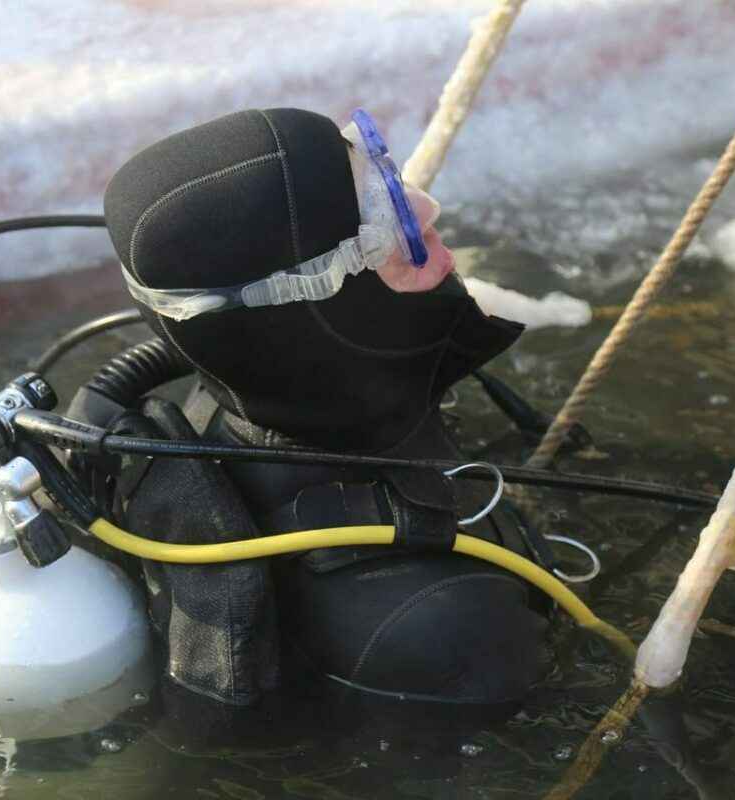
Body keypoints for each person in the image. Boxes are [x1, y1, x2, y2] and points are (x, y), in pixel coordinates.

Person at [71, 107, 551, 728]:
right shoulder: (452, 625)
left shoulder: (218, 406)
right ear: (310, 304)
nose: (424, 210)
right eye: (384, 218)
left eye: (385, 180)